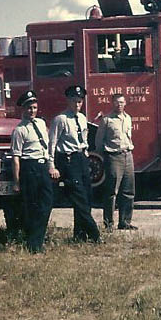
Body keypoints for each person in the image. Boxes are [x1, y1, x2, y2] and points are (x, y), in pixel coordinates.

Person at [48, 85, 102, 242]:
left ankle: (80, 235)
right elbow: (52, 144)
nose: (78, 105)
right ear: (68, 101)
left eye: (80, 101)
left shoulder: (82, 118)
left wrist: (85, 155)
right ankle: (95, 234)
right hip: (68, 160)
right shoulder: (61, 120)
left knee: (87, 197)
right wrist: (52, 165)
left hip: (81, 159)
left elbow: (84, 139)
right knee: (79, 198)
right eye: (74, 101)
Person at [10, 90, 54, 253]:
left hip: (43, 167)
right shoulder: (19, 130)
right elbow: (16, 157)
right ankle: (34, 244)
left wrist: (51, 165)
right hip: (29, 168)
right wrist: (16, 182)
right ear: (23, 109)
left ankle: (37, 238)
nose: (32, 111)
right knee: (33, 206)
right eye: (29, 108)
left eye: (34, 107)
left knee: (47, 203)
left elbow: (47, 147)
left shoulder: (41, 124)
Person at [95, 93, 137, 231]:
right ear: (112, 103)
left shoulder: (128, 118)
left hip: (128, 155)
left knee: (129, 190)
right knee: (112, 191)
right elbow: (99, 141)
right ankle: (109, 223)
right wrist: (105, 157)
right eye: (117, 102)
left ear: (125, 103)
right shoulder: (107, 120)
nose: (119, 105)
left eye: (122, 102)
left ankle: (125, 221)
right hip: (113, 157)